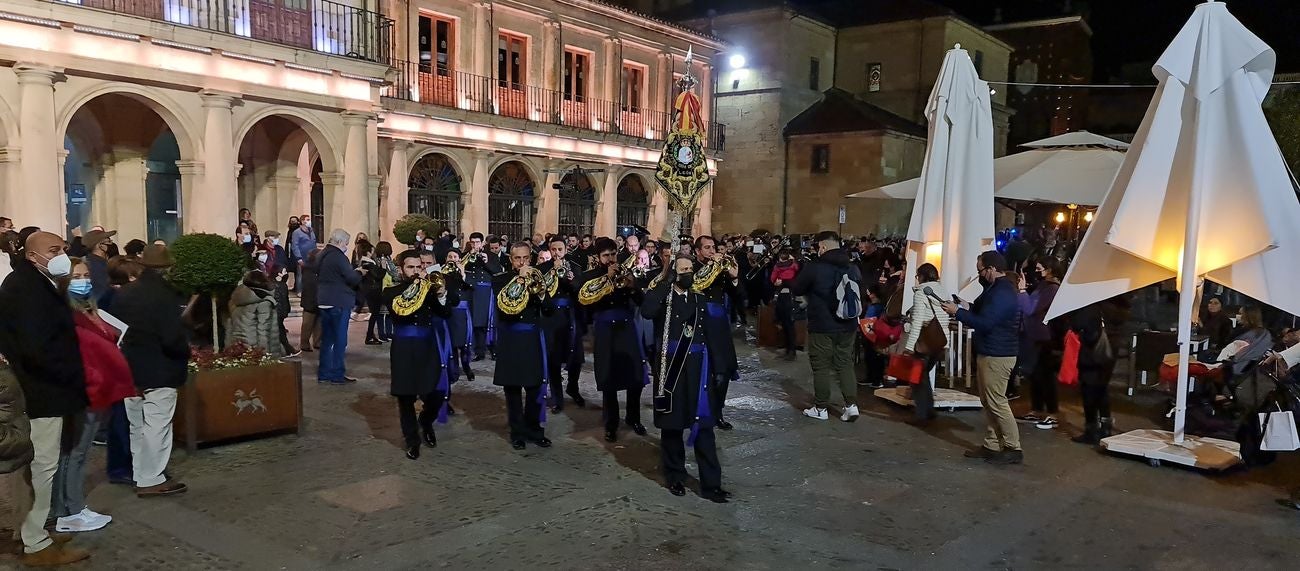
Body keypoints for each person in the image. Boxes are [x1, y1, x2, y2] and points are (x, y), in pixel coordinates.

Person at [0, 232, 92, 565]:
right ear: (31, 255)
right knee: (42, 466)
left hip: (44, 389)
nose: (62, 256)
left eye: (63, 249)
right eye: (54, 251)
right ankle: (35, 542)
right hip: (42, 393)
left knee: (41, 466)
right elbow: (37, 347)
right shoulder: (26, 288)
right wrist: (71, 376)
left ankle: (34, 531)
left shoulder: (33, 282)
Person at [54, 259, 134, 532]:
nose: (83, 280)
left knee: (80, 451)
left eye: (86, 275)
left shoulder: (92, 310)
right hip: (87, 390)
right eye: (77, 276)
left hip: (102, 389)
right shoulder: (67, 314)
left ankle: (72, 507)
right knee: (74, 453)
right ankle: (70, 510)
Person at [642, 255, 728, 503]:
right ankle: (675, 476)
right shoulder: (664, 299)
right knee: (672, 424)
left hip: (698, 368)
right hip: (671, 367)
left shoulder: (700, 299)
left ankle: (712, 484)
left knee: (704, 425)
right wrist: (666, 280)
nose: (689, 273)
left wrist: (719, 368)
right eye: (683, 270)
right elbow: (647, 311)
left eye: (691, 269)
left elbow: (712, 335)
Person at [113, 244, 191, 495]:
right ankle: (151, 478)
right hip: (160, 369)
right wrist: (184, 351)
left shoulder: (125, 293)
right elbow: (172, 338)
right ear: (168, 268)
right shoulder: (165, 296)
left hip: (129, 368)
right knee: (157, 424)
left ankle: (141, 471)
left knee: (137, 424)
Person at [942, 251, 1023, 465]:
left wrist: (957, 313)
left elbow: (986, 322)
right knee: (989, 401)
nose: (979, 275)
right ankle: (993, 444)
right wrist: (963, 305)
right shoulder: (995, 290)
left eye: (981, 271)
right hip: (992, 350)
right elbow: (981, 310)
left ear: (992, 269)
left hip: (998, 354)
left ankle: (1013, 447)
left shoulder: (1002, 292)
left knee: (997, 401)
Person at [384, 249, 456, 459]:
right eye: (410, 267)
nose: (416, 271)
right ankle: (412, 440)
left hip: (427, 346)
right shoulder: (392, 291)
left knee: (435, 393)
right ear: (401, 269)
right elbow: (399, 310)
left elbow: (445, 312)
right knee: (405, 397)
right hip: (403, 347)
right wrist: (417, 288)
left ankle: (425, 421)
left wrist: (442, 294)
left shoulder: (431, 290)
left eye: (419, 266)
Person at [579, 238, 647, 442]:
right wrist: (605, 280)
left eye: (613, 254)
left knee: (634, 376)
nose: (610, 259)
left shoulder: (627, 273)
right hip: (604, 329)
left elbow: (641, 302)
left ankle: (634, 417)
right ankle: (611, 423)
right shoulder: (590, 277)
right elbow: (586, 305)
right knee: (609, 377)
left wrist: (632, 285)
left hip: (626, 327)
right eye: (606, 256)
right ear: (598, 257)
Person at [791, 234, 862, 422]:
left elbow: (797, 288)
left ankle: (821, 407)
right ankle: (851, 405)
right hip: (848, 324)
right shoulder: (852, 266)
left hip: (822, 325)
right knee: (845, 362)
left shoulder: (815, 267)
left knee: (820, 365)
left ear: (822, 247)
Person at [493, 242, 552, 450]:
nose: (522, 262)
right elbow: (503, 311)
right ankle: (517, 432)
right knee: (513, 389)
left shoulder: (538, 279)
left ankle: (534, 430)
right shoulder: (500, 280)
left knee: (535, 387)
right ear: (511, 260)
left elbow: (549, 309)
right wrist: (519, 280)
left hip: (532, 338)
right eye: (518, 258)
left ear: (531, 258)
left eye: (526, 258)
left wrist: (542, 292)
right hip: (510, 338)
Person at [691, 236, 740, 430]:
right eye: (707, 248)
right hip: (699, 323)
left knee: (722, 372)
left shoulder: (722, 270)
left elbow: (739, 297)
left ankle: (717, 412)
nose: (712, 251)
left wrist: (734, 277)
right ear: (697, 251)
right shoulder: (692, 268)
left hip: (719, 326)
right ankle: (697, 411)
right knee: (700, 371)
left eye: (713, 247)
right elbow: (694, 285)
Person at [537, 237, 585, 413]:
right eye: (554, 249)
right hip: (550, 317)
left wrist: (571, 279)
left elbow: (579, 291)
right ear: (550, 250)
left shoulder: (575, 267)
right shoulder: (542, 269)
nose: (557, 253)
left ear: (565, 250)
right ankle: (557, 398)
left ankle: (573, 387)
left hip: (570, 316)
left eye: (560, 249)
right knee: (553, 358)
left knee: (575, 357)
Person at [1016, 257, 1064, 430]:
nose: (1035, 272)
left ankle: (1052, 413)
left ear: (1049, 269)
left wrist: (1022, 292)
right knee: (1036, 375)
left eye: (1039, 268)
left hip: (1046, 338)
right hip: (1035, 336)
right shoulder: (1043, 286)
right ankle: (1037, 409)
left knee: (1046, 376)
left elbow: (1030, 308)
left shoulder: (1052, 289)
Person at [902, 263, 950, 426]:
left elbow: (917, 322)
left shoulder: (922, 292)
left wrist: (909, 346)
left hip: (925, 342)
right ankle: (928, 410)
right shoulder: (942, 290)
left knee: (917, 378)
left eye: (917, 276)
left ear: (922, 276)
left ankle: (922, 414)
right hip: (940, 341)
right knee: (922, 377)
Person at [317, 229, 364, 384]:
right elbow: (351, 278)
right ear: (339, 242)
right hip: (338, 301)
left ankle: (324, 373)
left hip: (323, 300)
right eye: (346, 243)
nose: (346, 246)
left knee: (327, 339)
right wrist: (360, 273)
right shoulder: (338, 257)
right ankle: (337, 374)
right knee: (339, 340)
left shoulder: (322, 255)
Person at [1068, 303, 1117, 444]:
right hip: (1107, 351)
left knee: (1089, 392)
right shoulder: (1108, 305)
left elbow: (1078, 325)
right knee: (1102, 390)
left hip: (1091, 355)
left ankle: (1091, 430)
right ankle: (1106, 426)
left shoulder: (1088, 306)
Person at [227, 270, 284, 358]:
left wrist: (229, 348)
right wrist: (265, 356)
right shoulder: (264, 302)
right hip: (257, 350)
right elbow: (263, 331)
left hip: (238, 346)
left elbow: (230, 326)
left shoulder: (235, 299)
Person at [464, 233, 499, 361]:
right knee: (476, 322)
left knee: (488, 321)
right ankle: (479, 351)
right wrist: (469, 256)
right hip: (472, 291)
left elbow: (497, 271)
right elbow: (463, 269)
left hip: (485, 291)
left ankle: (493, 349)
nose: (475, 245)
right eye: (472, 242)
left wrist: (486, 262)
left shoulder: (491, 256)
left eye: (477, 242)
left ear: (483, 243)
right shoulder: (466, 255)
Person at [770, 248, 801, 361]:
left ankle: (791, 351)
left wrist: (780, 282)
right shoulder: (793, 266)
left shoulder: (791, 267)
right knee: (786, 325)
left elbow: (775, 279)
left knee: (789, 325)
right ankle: (789, 349)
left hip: (788, 297)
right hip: (783, 297)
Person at [371, 241, 397, 343]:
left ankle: (385, 333)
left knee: (385, 313)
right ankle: (384, 333)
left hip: (382, 288)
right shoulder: (385, 261)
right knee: (385, 313)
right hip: (386, 288)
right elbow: (394, 273)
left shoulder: (375, 260)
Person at [82, 229, 116, 303]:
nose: (112, 244)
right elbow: (103, 292)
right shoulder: (97, 266)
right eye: (109, 241)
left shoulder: (91, 261)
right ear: (100, 245)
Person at [299, 249, 323, 353]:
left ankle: (317, 342)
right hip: (310, 299)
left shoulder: (318, 268)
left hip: (318, 298)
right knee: (307, 324)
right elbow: (310, 284)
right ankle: (304, 343)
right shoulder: (308, 268)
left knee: (319, 323)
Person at [291, 214, 317, 293]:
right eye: (307, 219)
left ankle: (309, 290)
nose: (309, 221)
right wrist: (298, 257)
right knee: (300, 275)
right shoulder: (297, 232)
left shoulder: (312, 231)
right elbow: (295, 245)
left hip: (312, 257)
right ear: (302, 221)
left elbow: (314, 242)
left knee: (310, 274)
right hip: (302, 256)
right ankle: (300, 291)